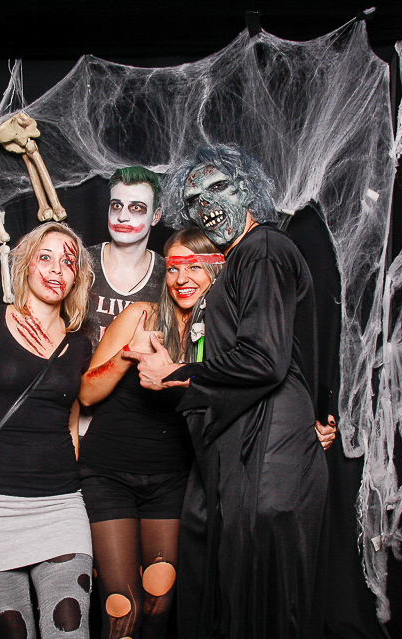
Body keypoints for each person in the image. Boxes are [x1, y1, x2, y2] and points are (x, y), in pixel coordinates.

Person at [126, 145, 329, 639]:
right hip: (245, 447)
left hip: (268, 452)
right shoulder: (243, 259)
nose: (206, 204)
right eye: (194, 199)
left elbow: (265, 359)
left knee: (260, 598)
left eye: (219, 187)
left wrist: (175, 373)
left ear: (249, 190)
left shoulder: (263, 248)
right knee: (233, 592)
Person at [78, 227, 225, 639]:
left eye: (195, 267)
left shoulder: (222, 333)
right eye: (174, 267)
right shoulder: (140, 315)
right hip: (109, 475)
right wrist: (128, 354)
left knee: (159, 604)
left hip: (171, 480)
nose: (182, 278)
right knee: (122, 609)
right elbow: (86, 393)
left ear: (216, 271)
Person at [0, 222, 96, 639]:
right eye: (45, 257)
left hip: (59, 505)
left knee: (69, 629)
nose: (56, 269)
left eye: (67, 262)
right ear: (26, 265)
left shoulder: (80, 342)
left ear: (77, 277)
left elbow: (68, 410)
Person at [85, 167, 166, 347]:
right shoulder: (82, 262)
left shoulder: (169, 275)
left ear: (155, 217)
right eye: (116, 206)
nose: (122, 217)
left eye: (136, 208)